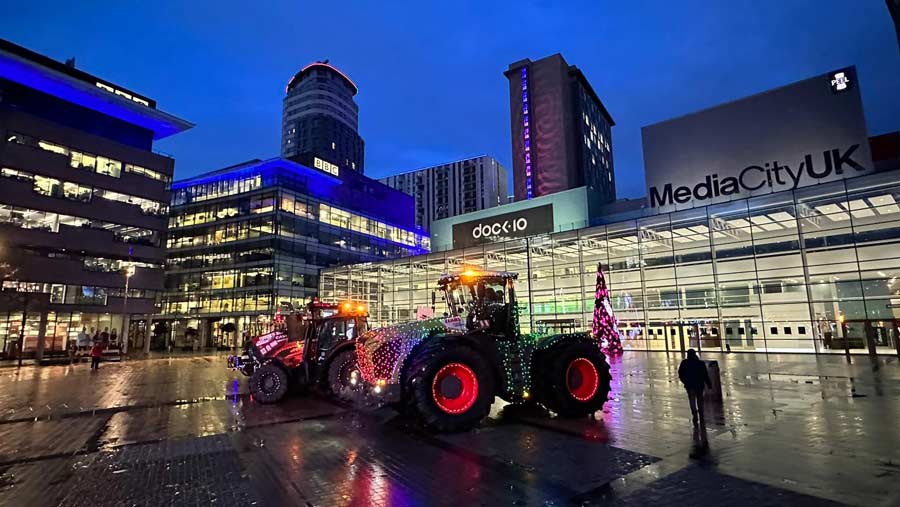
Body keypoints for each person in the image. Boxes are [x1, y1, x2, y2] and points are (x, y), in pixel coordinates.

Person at [678, 349, 712, 427]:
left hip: (690, 385)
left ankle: (694, 414)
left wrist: (685, 381)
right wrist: (709, 384)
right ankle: (701, 413)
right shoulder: (700, 363)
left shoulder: (684, 363)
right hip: (699, 385)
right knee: (700, 399)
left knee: (692, 400)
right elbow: (705, 374)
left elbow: (680, 374)